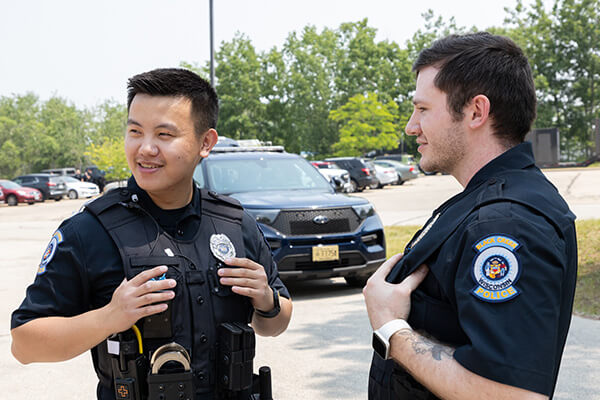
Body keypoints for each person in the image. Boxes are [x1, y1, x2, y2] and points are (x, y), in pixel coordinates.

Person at [11, 68, 293, 400]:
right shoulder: (89, 231)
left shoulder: (236, 223)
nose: (145, 148)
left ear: (206, 143)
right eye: (135, 131)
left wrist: (266, 302)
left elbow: (275, 323)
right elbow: (24, 343)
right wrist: (109, 318)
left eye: (163, 135)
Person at [363, 32, 577, 400]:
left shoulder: (505, 222)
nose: (411, 127)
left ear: (476, 111)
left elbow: (513, 395)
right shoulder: (482, 202)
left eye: (423, 109)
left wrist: (392, 328)